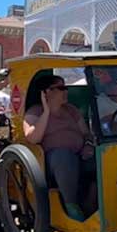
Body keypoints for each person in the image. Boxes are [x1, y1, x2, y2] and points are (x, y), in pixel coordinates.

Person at [23, 76, 93, 221]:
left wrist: (87, 145)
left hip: (79, 153)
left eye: (65, 87)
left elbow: (86, 134)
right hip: (50, 161)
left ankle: (94, 205)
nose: (66, 91)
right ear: (46, 92)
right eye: (61, 88)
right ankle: (70, 205)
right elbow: (33, 137)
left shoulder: (71, 110)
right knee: (64, 156)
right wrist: (47, 112)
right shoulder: (35, 111)